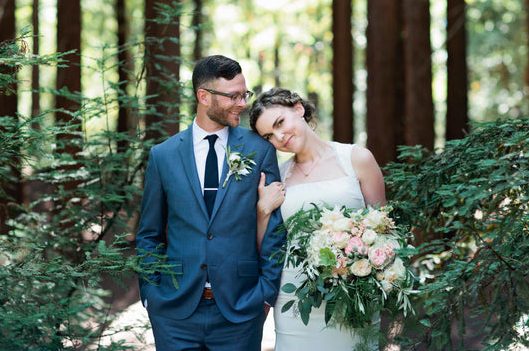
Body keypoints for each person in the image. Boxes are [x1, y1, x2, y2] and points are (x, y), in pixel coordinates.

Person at [136, 55, 287, 351]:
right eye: (233, 96)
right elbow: (149, 233)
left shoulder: (260, 150)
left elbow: (274, 230)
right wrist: (151, 295)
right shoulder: (163, 155)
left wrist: (265, 295)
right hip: (175, 312)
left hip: (240, 310)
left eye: (244, 94)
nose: (242, 103)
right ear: (204, 97)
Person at [250, 87, 386, 351]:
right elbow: (263, 248)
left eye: (280, 123)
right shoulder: (278, 176)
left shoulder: (357, 159)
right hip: (295, 300)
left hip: (352, 295)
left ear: (299, 109)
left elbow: (384, 231)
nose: (279, 137)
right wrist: (263, 210)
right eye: (269, 135)